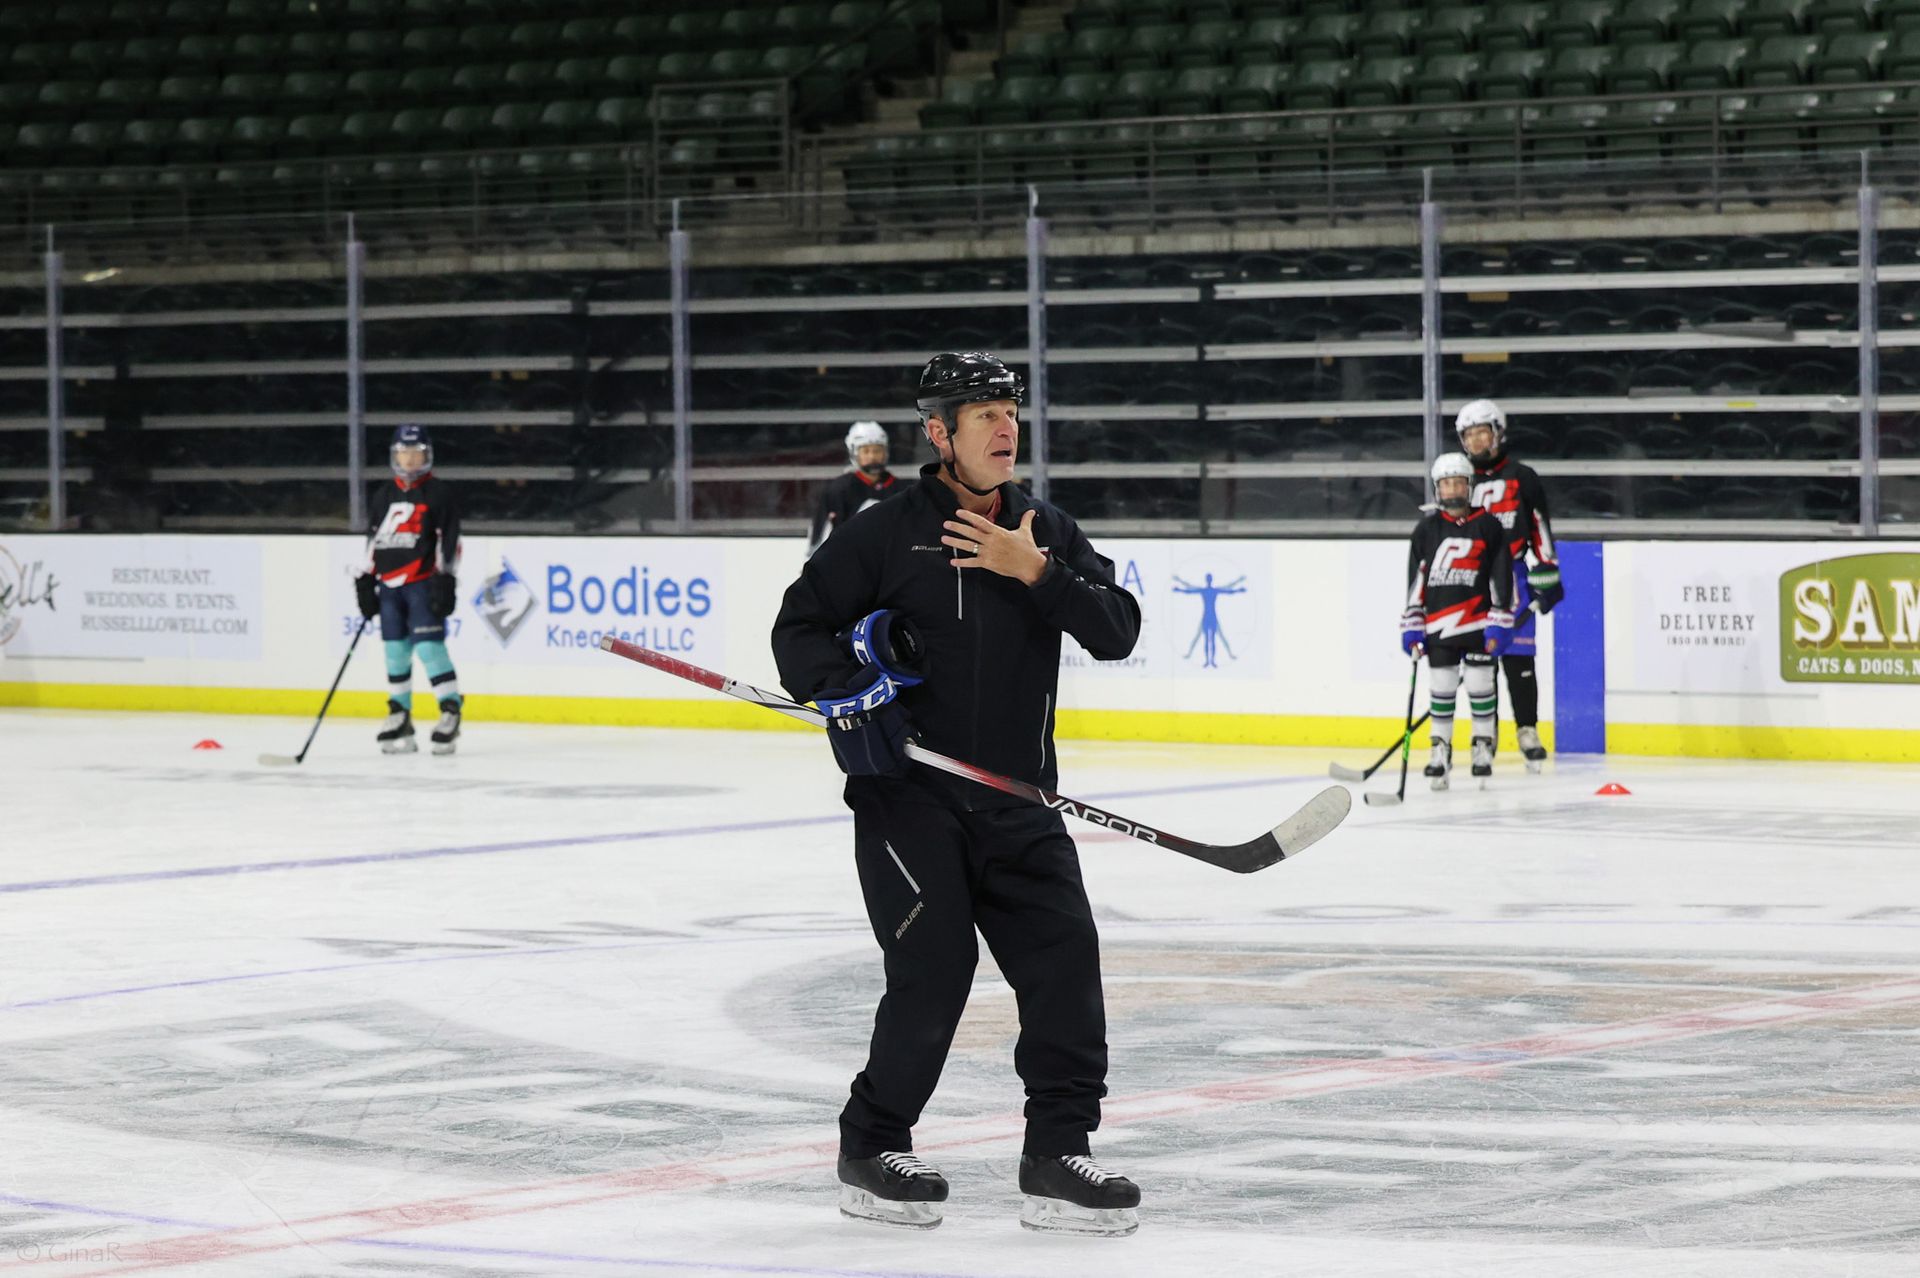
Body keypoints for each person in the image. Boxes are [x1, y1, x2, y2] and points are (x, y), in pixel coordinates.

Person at [770, 352, 1146, 1235]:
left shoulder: (1043, 526)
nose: (1004, 427)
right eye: (981, 414)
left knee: (1064, 970)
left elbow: (1118, 629)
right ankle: (872, 1142)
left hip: (1020, 798)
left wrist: (1035, 570)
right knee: (935, 972)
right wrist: (846, 690)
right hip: (910, 798)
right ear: (938, 433)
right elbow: (798, 631)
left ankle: (1057, 1152)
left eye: (1009, 410)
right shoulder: (882, 530)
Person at [1456, 399, 1565, 772]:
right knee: (1480, 661)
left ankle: (1527, 730)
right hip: (1473, 581)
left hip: (1515, 579)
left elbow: (1539, 526)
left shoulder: (1522, 476)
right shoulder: (1458, 479)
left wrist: (1548, 572)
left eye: (1482, 432)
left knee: (1520, 659)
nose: (1475, 441)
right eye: (1469, 435)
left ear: (1498, 433)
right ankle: (1484, 737)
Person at [1401, 452, 1515, 791]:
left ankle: (1482, 746)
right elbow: (1416, 580)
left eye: (1458, 482)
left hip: (1478, 621)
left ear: (1470, 485)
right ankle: (1440, 750)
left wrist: (1499, 619)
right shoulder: (1426, 528)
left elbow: (1500, 576)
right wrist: (1412, 623)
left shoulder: (1489, 525)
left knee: (1481, 686)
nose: (1452, 489)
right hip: (1439, 623)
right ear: (1438, 488)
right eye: (1446, 483)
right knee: (1442, 687)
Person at [353, 424, 463, 756]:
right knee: (395, 651)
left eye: (416, 454)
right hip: (390, 586)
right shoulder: (384, 495)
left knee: (429, 649)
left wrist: (445, 579)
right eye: (404, 453)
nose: (410, 460)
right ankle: (399, 714)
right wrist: (366, 579)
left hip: (422, 583)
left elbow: (450, 540)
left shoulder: (439, 494)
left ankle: (450, 710)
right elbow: (375, 540)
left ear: (427, 456)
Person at [806, 420, 902, 557]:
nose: (872, 456)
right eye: (866, 451)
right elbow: (820, 534)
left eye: (877, 450)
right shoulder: (838, 490)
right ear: (853, 453)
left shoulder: (900, 489)